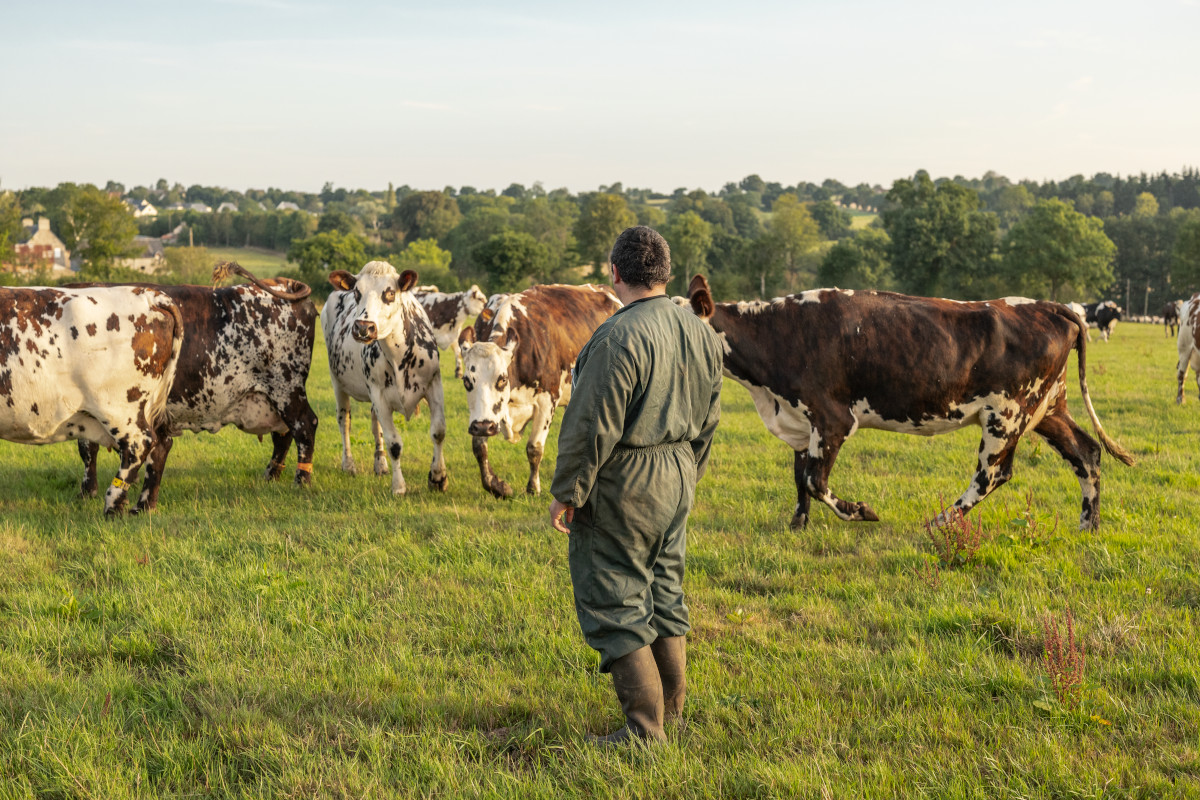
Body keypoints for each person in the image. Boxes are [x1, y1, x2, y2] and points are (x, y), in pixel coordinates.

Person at [549, 226, 723, 744]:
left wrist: (568, 492)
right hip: (678, 473)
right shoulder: (700, 330)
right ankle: (672, 719)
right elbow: (711, 417)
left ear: (615, 273)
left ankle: (645, 734)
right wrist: (688, 473)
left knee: (616, 595)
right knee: (665, 592)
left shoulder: (617, 336)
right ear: (666, 274)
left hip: (627, 479)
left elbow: (590, 425)